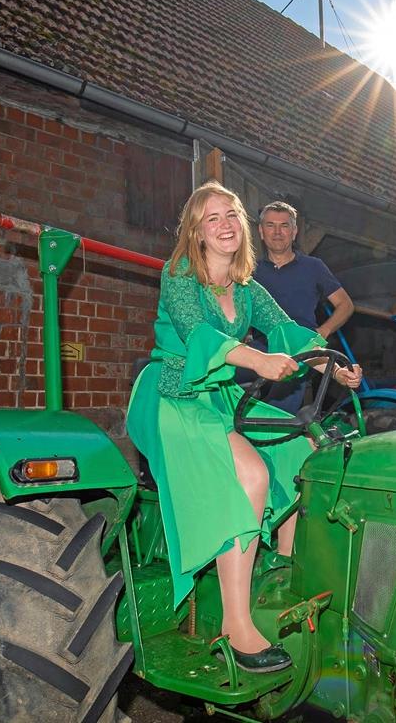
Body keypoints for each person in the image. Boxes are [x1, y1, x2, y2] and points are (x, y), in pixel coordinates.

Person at [127, 182, 363, 674]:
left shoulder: (248, 288)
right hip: (175, 396)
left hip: (223, 397)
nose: (225, 224)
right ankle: (235, 625)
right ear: (196, 231)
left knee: (303, 447)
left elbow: (291, 335)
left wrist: (333, 368)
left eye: (231, 214)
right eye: (212, 218)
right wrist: (258, 359)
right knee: (251, 474)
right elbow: (199, 336)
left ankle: (282, 566)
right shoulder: (180, 276)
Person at [253, 201, 355, 414]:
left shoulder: (313, 267)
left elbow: (345, 305)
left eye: (285, 226)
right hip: (262, 348)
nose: (278, 232)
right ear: (261, 232)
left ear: (294, 231)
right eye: (271, 225)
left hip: (304, 355)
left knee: (278, 412)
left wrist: (323, 330)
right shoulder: (251, 271)